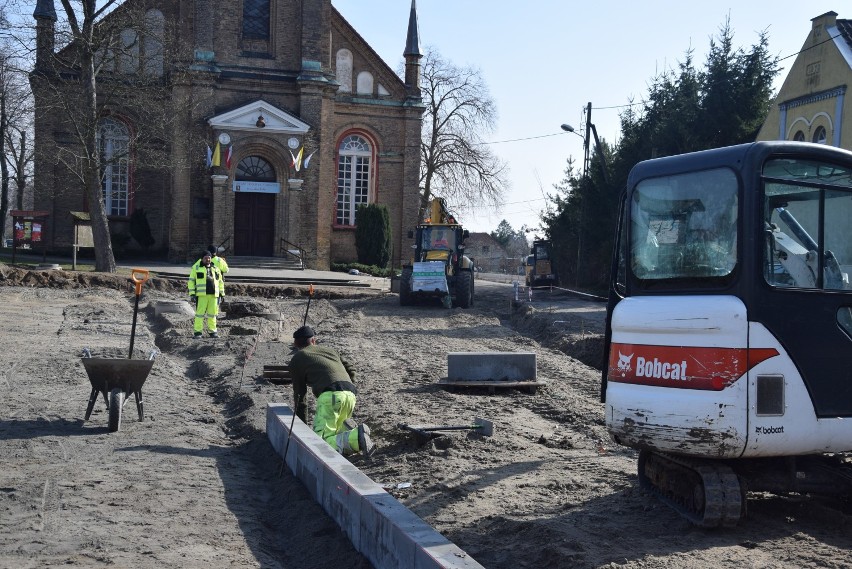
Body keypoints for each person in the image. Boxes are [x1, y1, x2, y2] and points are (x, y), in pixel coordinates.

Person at [288, 325, 375, 458]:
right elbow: (350, 370)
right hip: (350, 394)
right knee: (334, 437)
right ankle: (347, 429)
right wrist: (346, 388)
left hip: (331, 396)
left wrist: (302, 427)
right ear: (313, 341)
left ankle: (357, 436)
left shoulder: (297, 359)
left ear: (295, 344)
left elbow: (300, 395)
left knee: (320, 444)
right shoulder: (330, 351)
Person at [187, 251, 223, 338]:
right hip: (202, 295)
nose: (208, 259)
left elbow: (220, 282)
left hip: (214, 295)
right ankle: (198, 332)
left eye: (209, 257)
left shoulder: (216, 269)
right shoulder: (196, 268)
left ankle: (213, 332)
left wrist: (222, 294)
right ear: (202, 259)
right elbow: (191, 281)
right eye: (206, 258)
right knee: (200, 314)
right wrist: (192, 293)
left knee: (212, 314)